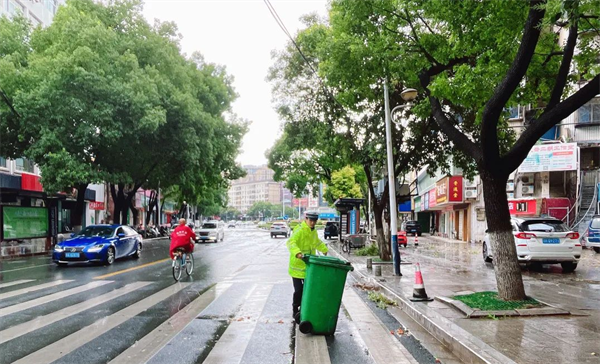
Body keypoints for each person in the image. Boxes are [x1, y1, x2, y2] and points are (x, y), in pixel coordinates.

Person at [287, 211, 328, 318]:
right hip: (297, 267)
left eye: (314, 221)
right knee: (299, 290)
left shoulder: (313, 231)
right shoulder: (300, 230)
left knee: (308, 290)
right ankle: (295, 309)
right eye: (311, 220)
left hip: (309, 267)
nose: (313, 223)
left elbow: (316, 242)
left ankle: (304, 309)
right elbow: (291, 242)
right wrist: (297, 253)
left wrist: (324, 249)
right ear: (306, 219)